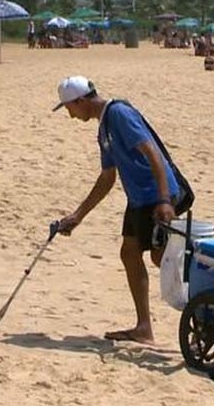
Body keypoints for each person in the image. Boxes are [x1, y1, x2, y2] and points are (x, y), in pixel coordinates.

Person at [54, 76, 181, 345]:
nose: (70, 116)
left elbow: (153, 154)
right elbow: (107, 178)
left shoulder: (119, 114)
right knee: (130, 253)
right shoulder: (104, 129)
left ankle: (204, 313)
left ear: (81, 101)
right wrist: (77, 216)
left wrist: (164, 199)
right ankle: (144, 328)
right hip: (138, 200)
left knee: (164, 259)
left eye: (69, 108)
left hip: (155, 197)